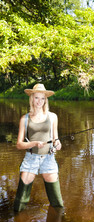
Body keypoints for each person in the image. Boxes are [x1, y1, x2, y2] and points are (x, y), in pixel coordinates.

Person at [14, 83, 64, 212]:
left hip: (49, 158)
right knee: (20, 201)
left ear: (45, 100)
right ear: (32, 98)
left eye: (42, 98)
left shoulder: (53, 117)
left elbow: (55, 138)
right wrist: (33, 143)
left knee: (57, 202)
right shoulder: (24, 119)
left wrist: (57, 143)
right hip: (31, 158)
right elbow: (19, 144)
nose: (39, 101)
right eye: (37, 98)